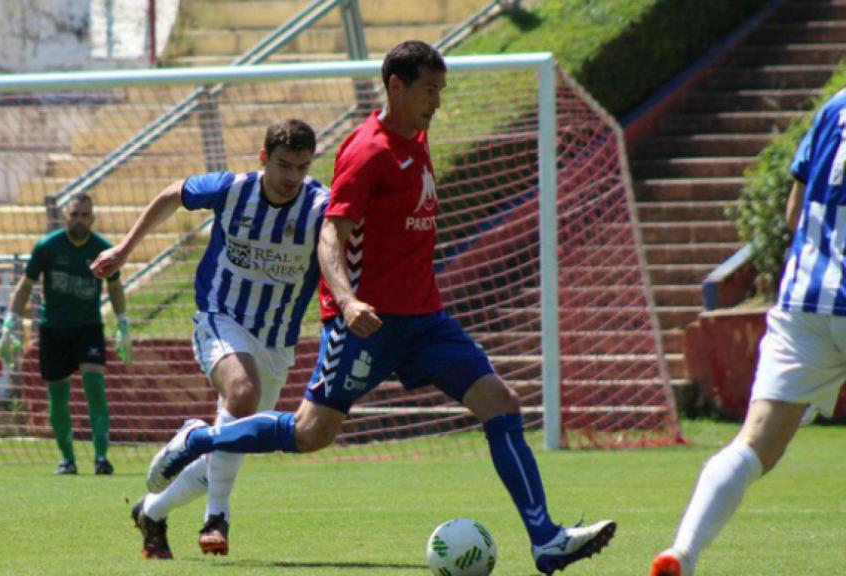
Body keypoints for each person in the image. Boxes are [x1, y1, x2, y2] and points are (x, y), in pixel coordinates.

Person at [143, 40, 616, 575]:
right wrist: (345, 300)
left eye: (441, 90)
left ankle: (546, 539)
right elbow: (330, 235)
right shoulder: (367, 151)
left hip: (427, 319)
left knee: (501, 404)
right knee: (310, 433)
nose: (437, 102)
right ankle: (201, 438)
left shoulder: (417, 133)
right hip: (368, 324)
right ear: (396, 87)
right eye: (428, 91)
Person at [90, 119, 328, 559]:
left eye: (301, 166)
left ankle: (153, 513)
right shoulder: (232, 189)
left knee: (227, 447)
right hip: (221, 318)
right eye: (283, 165)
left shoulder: (319, 206)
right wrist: (124, 250)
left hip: (277, 341)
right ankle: (217, 516)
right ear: (263, 159)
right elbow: (172, 194)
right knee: (242, 392)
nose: (292, 176)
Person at [651, 89, 846, 576]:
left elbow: (794, 213)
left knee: (752, 445)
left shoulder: (835, 107)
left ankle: (683, 552)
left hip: (806, 303)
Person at [0, 192, 131, 476]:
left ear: (92, 218)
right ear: (65, 217)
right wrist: (10, 323)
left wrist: (123, 324)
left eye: (85, 215)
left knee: (95, 386)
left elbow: (116, 287)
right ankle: (68, 459)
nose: (79, 220)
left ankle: (101, 458)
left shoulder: (103, 250)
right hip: (53, 329)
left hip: (88, 327)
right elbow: (25, 285)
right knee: (58, 397)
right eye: (74, 214)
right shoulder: (47, 247)